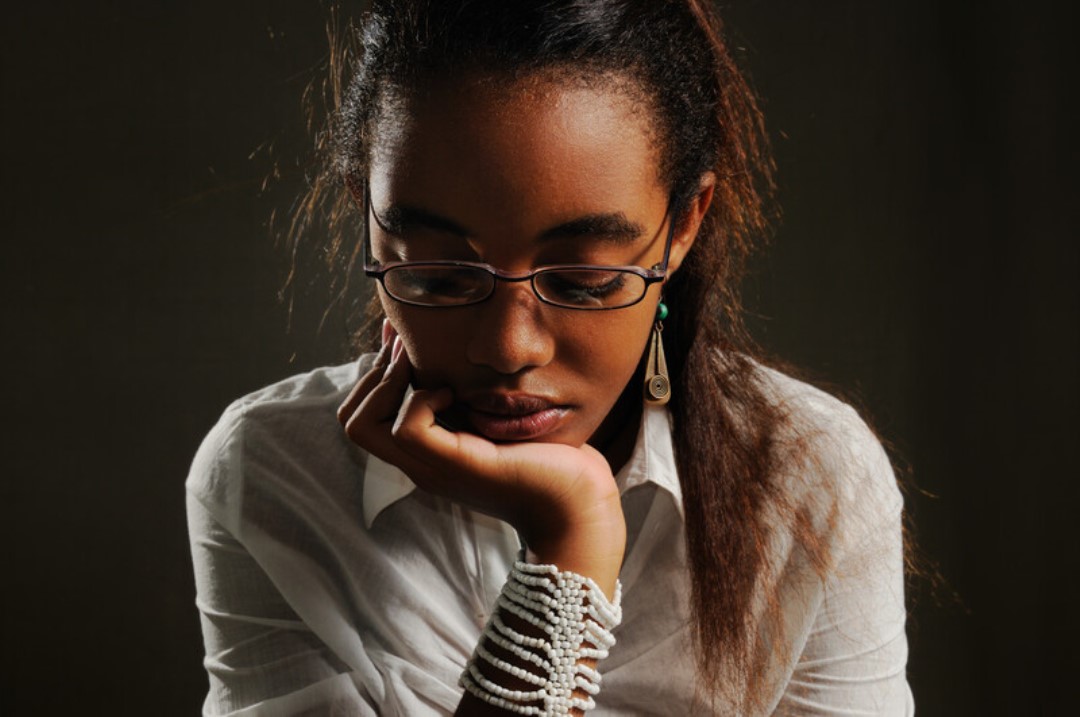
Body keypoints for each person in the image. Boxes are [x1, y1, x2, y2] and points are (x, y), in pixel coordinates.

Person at [186, 1, 914, 714]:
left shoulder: (808, 480)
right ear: (368, 212)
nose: (507, 347)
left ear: (682, 227)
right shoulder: (276, 477)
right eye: (439, 275)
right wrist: (572, 545)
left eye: (583, 281)